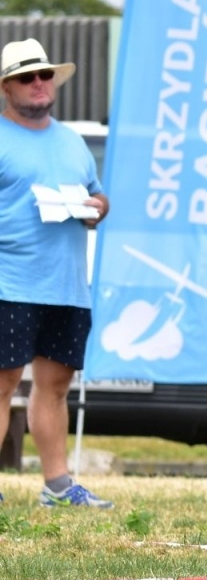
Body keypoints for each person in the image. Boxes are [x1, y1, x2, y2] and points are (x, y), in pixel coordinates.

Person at [0, 38, 113, 508]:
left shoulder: (71, 141)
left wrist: (97, 208)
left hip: (66, 285)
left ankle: (58, 485)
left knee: (54, 387)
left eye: (44, 74)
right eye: (27, 77)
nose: (39, 83)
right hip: (10, 282)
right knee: (3, 384)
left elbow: (97, 196)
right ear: (7, 87)